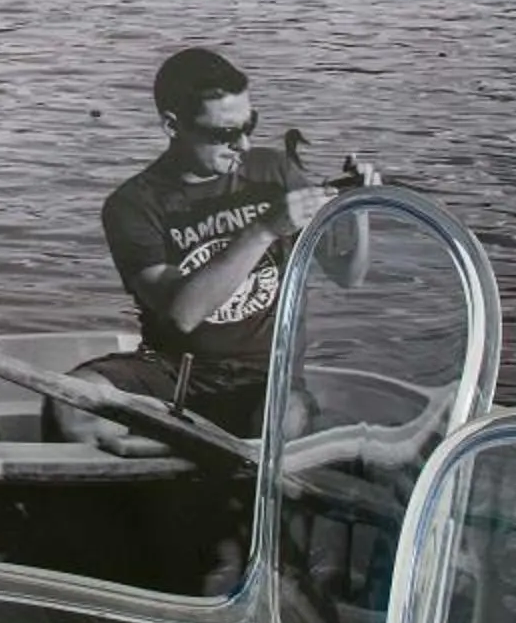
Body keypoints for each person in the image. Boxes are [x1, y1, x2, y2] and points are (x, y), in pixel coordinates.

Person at [89, 47, 378, 445]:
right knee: (72, 407)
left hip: (265, 378)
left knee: (284, 421)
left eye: (250, 125)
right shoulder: (132, 205)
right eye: (225, 134)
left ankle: (187, 460)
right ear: (173, 125)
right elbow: (183, 314)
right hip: (173, 372)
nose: (243, 144)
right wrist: (264, 229)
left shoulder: (274, 171)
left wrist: (358, 209)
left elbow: (349, 275)